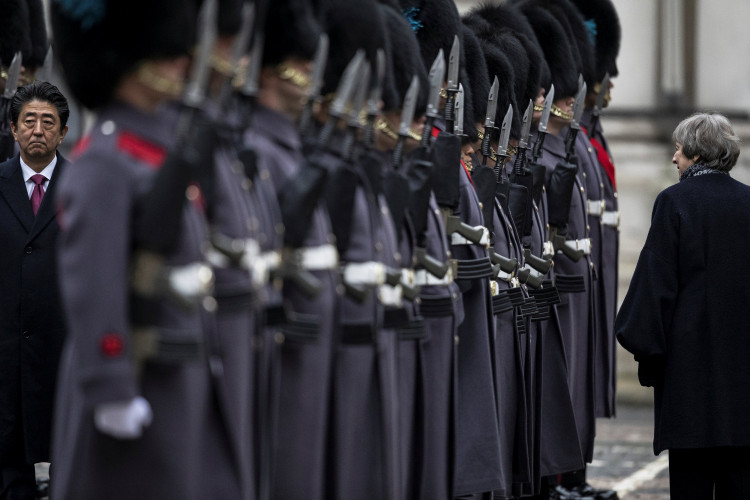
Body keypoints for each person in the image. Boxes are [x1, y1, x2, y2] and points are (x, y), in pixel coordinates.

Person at [49, 1, 243, 498]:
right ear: (130, 60)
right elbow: (93, 280)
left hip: (178, 369)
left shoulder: (156, 150)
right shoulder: (107, 159)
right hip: (132, 376)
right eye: (163, 54)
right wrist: (110, 382)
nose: (179, 61)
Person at [616, 112, 748, 500]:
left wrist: (648, 353)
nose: (674, 158)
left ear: (694, 152)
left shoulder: (673, 201)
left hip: (690, 380)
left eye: (677, 149)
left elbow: (654, 287)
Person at [0, 81, 68, 500]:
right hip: (7, 348)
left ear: (62, 133)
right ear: (13, 129)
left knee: (67, 451)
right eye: (29, 121)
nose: (37, 130)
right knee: (10, 470)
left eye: (48, 122)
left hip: (62, 345)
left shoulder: (81, 187)